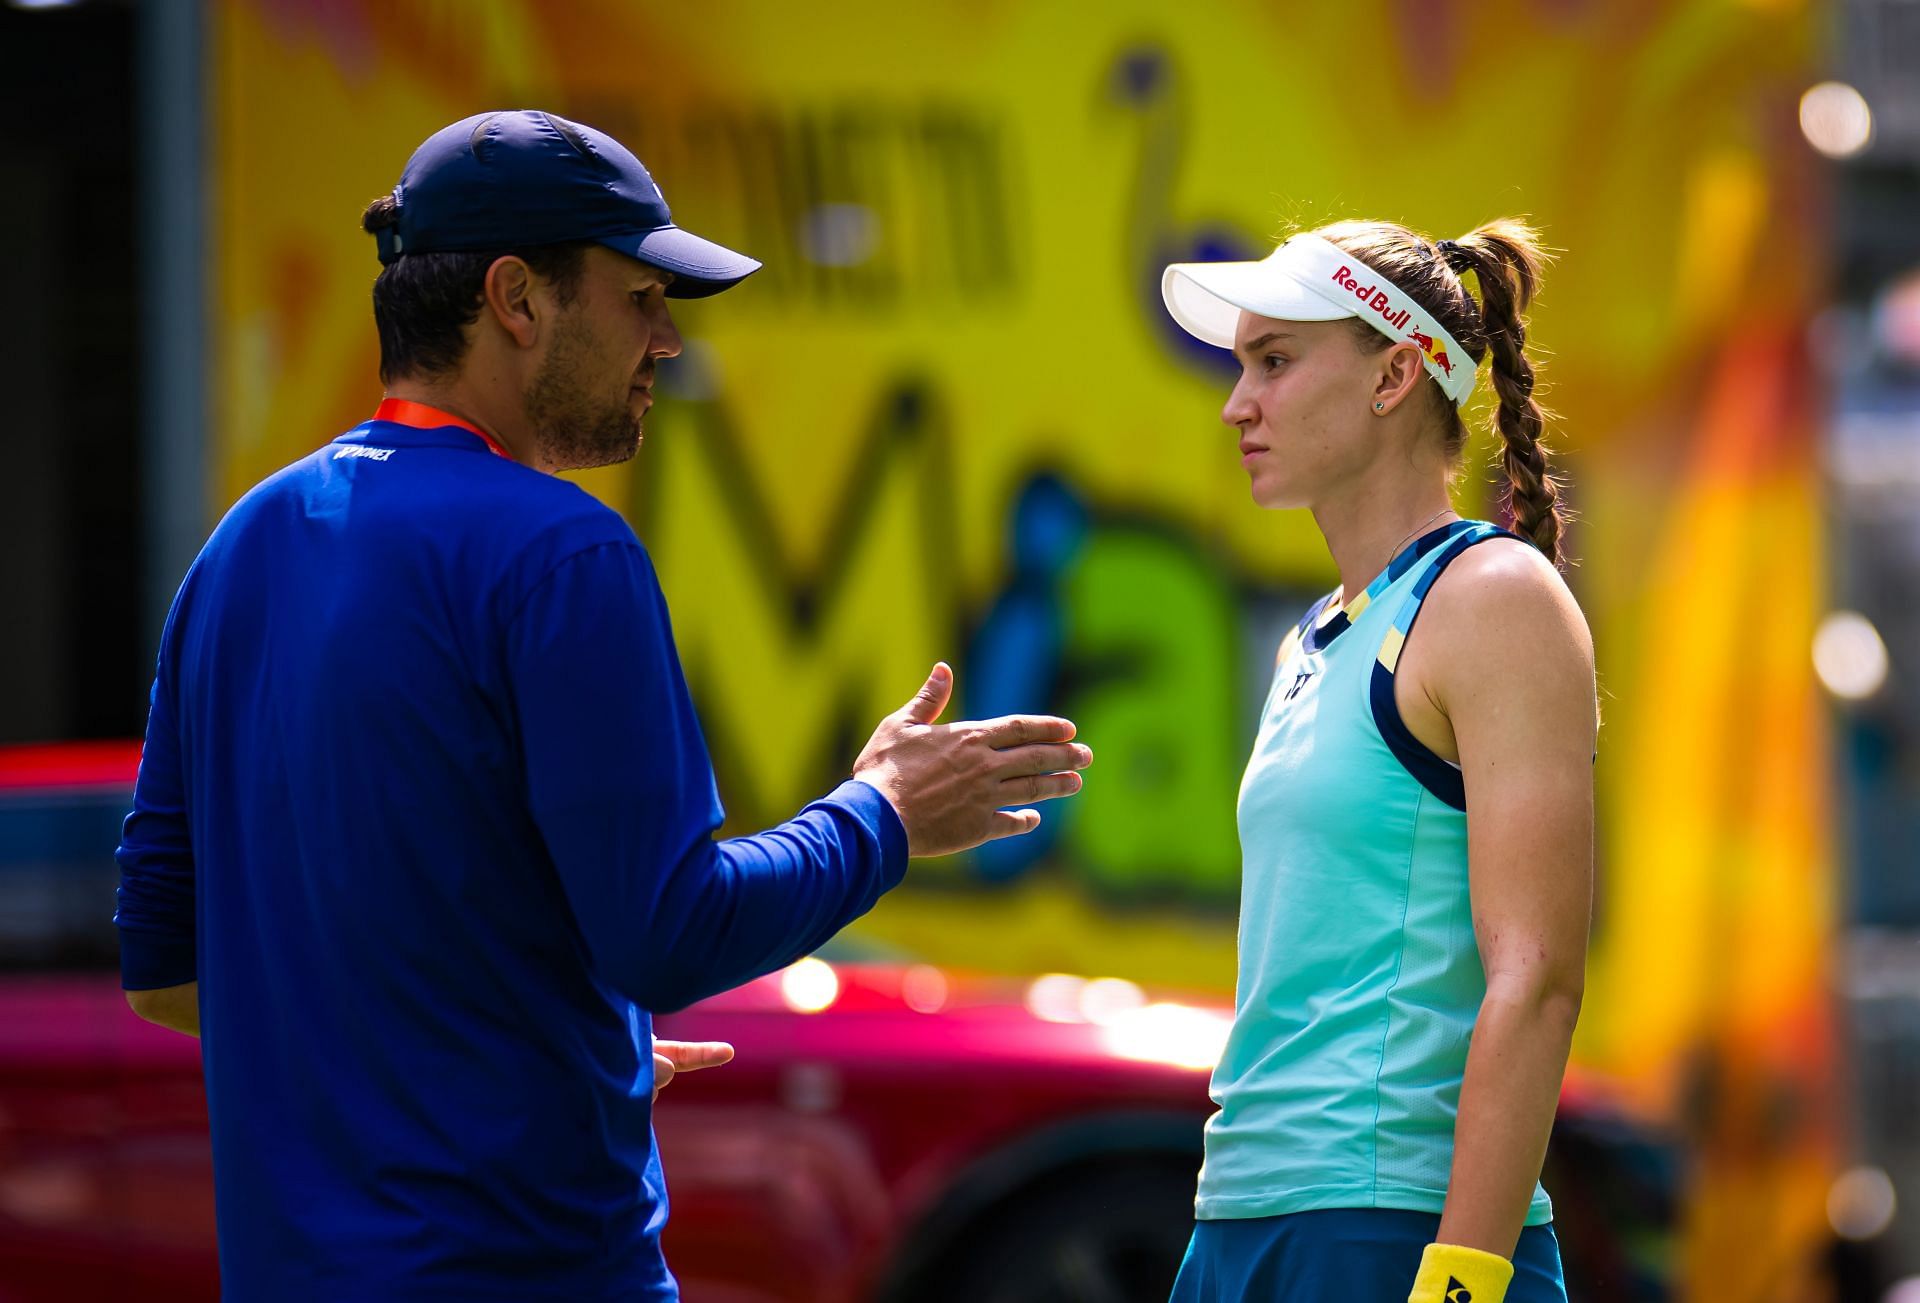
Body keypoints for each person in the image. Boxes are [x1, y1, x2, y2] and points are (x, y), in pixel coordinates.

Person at [111, 110, 1091, 1302]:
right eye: (641, 296)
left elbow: (168, 970)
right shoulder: (565, 550)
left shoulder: (239, 546)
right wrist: (883, 811)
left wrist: (531, 1040)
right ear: (517, 300)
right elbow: (669, 933)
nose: (669, 340)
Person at [1158, 219, 1595, 1303]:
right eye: (1239, 365)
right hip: (1241, 1222)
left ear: (1396, 375)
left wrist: (1462, 1279)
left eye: (1274, 361)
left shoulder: (1495, 597)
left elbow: (1536, 979)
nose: (1237, 403)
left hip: (1387, 1236)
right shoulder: (1318, 632)